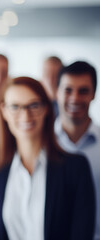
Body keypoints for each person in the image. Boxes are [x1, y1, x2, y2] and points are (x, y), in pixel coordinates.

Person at [0, 77, 95, 240]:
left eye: (33, 105)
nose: (25, 115)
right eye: (15, 107)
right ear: (4, 111)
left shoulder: (76, 168)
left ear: (46, 108)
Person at [54, 61, 100, 239]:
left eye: (83, 91)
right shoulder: (41, 145)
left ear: (94, 94)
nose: (74, 98)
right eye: (68, 90)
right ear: (57, 92)